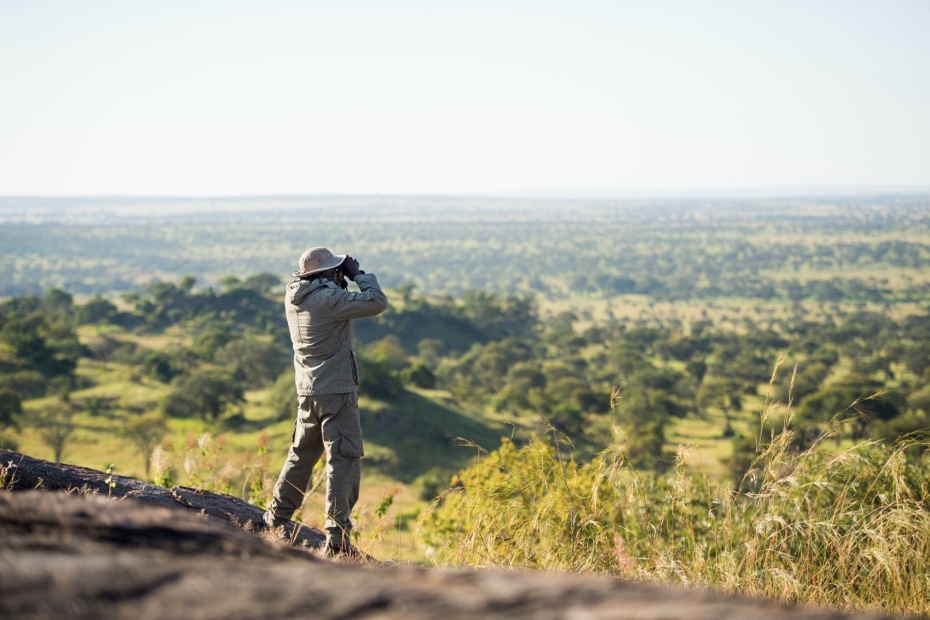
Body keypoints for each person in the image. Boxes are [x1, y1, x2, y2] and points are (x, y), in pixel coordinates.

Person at [263, 247, 388, 556]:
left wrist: (337, 276)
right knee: (343, 459)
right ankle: (337, 535)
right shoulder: (330, 300)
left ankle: (275, 518)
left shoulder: (295, 297)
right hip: (336, 391)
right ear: (328, 274)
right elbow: (377, 302)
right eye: (337, 271)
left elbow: (328, 293)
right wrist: (358, 275)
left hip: (308, 390)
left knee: (301, 455)